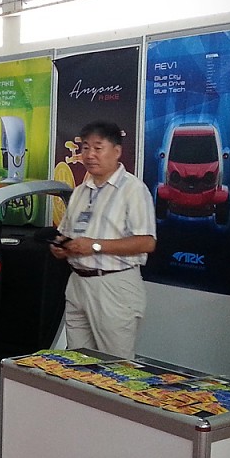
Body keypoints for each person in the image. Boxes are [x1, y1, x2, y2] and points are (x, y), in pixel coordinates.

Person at [49, 121, 156, 359]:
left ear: (117, 151)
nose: (90, 155)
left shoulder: (133, 190)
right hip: (78, 283)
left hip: (113, 285)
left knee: (114, 364)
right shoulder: (80, 190)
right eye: (85, 148)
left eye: (98, 148)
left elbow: (147, 242)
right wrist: (62, 245)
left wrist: (95, 246)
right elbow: (67, 231)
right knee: (78, 361)